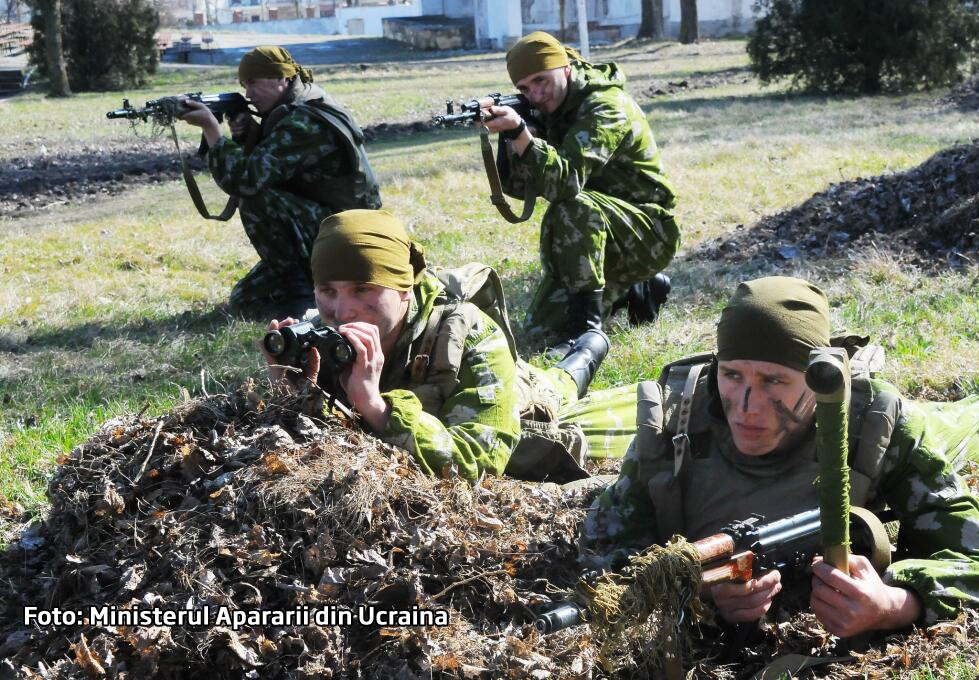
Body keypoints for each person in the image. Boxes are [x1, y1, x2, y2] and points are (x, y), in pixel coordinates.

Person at [583, 276, 979, 639]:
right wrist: (700, 591)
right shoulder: (675, 421)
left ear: (816, 382)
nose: (747, 404)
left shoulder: (874, 427)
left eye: (774, 380)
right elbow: (604, 552)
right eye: (732, 375)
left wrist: (893, 605)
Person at [262, 209, 638, 482]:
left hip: (522, 394)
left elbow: (480, 459)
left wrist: (376, 406)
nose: (342, 311)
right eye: (328, 291)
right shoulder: (322, 336)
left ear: (405, 288)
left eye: (364, 289)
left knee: (558, 384)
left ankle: (589, 346)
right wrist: (288, 389)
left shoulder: (469, 335)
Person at [482, 31, 681, 358]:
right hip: (599, 231)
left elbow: (565, 184)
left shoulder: (605, 106)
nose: (536, 95)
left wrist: (521, 133)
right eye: (524, 89)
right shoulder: (549, 109)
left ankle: (584, 333)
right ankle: (640, 289)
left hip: (648, 232)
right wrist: (514, 139)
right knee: (538, 330)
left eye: (541, 81)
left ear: (565, 68)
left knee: (571, 205)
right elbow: (521, 188)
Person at [180, 46, 382, 320]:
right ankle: (315, 286)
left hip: (349, 238)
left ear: (281, 78)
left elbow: (247, 180)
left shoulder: (303, 121)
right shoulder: (298, 105)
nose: (248, 94)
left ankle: (302, 298)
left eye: (253, 83)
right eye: (244, 85)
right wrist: (248, 135)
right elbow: (278, 166)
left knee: (255, 197)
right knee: (245, 302)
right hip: (330, 226)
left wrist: (212, 131)